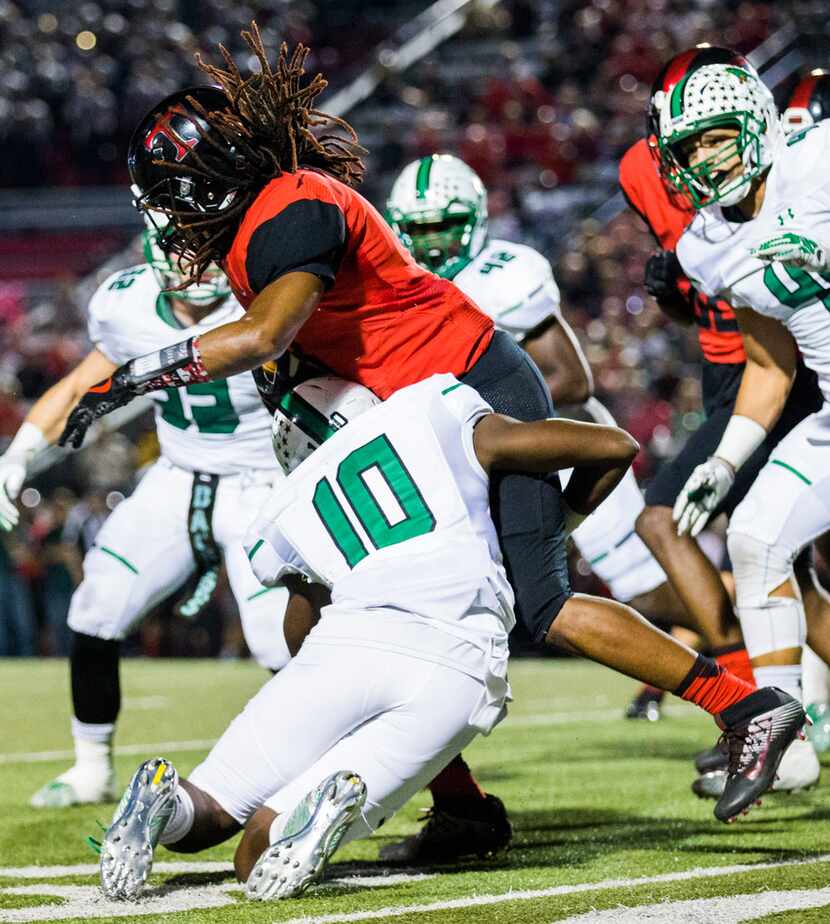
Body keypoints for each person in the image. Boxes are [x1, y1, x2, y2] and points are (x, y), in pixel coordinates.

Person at [97, 373, 804, 904]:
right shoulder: (427, 407)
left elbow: (298, 631)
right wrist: (550, 532)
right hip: (449, 655)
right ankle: (315, 816)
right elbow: (608, 445)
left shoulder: (285, 501)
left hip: (342, 645)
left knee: (215, 815)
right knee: (259, 857)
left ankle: (168, 800)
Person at [387, 153, 738, 728]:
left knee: (640, 588)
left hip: (565, 449)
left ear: (472, 219)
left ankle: (757, 649)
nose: (430, 242)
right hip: (486, 462)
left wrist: (472, 414)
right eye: (418, 228)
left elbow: (572, 378)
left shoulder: (504, 272)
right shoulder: (406, 283)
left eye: (442, 225)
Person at [0, 223, 291, 808]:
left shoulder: (265, 296)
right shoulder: (126, 304)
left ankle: (312, 767)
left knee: (278, 645)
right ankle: (92, 768)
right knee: (95, 609)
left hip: (267, 480)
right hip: (177, 473)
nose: (195, 267)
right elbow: (84, 381)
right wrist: (21, 452)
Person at [622, 46, 828, 793]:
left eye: (715, 137)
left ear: (757, 123)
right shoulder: (706, 244)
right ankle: (791, 741)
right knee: (756, 536)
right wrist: (724, 460)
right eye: (689, 147)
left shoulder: (819, 161)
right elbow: (770, 366)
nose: (704, 159)